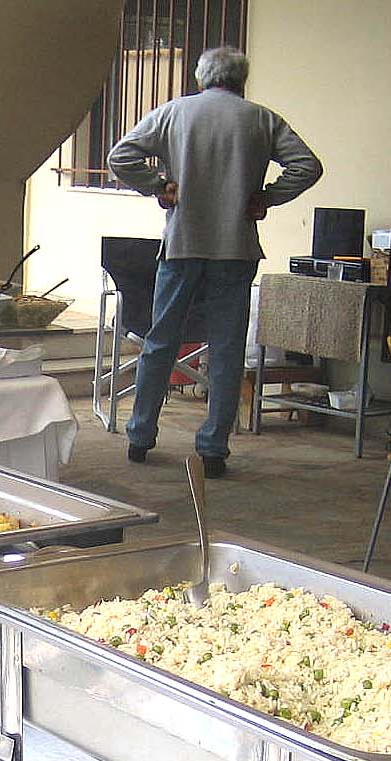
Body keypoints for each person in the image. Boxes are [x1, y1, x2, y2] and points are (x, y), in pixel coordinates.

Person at [107, 46, 321, 478]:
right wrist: (267, 198)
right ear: (242, 80)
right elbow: (307, 166)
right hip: (236, 248)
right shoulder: (262, 119)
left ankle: (140, 436)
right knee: (226, 348)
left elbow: (120, 157)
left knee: (161, 342)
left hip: (183, 245)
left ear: (201, 78)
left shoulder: (173, 113)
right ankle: (213, 448)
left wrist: (159, 186)